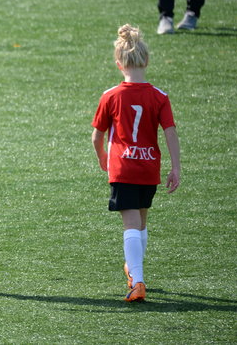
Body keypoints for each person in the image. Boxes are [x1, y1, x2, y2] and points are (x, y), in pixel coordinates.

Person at [91, 25, 181, 302]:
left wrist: (102, 156)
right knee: (141, 222)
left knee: (130, 223)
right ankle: (134, 270)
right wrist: (176, 167)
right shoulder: (160, 96)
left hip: (123, 166)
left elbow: (97, 135)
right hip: (149, 166)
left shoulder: (111, 95)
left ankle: (138, 281)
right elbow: (170, 132)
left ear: (118, 63)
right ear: (147, 60)